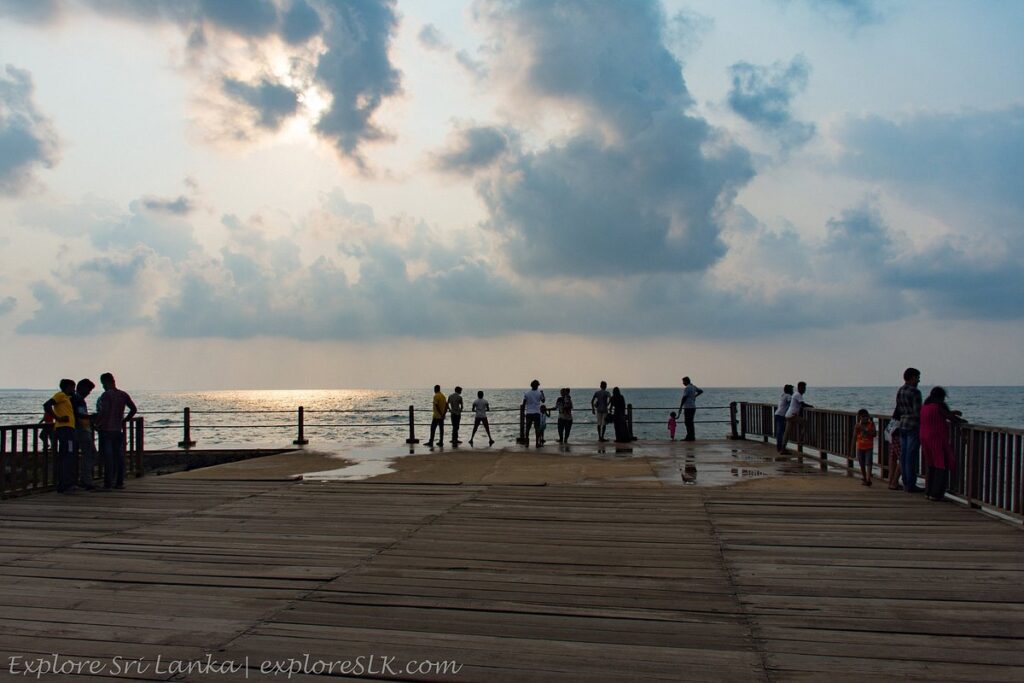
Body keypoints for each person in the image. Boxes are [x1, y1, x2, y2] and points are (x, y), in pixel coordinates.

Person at [920, 386, 965, 502]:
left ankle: (929, 491)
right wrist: (961, 421)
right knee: (941, 465)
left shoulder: (925, 407)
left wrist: (951, 413)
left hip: (925, 438)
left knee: (931, 464)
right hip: (936, 439)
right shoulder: (937, 407)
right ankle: (936, 493)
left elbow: (942, 415)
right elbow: (950, 418)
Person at [94, 372, 137, 490]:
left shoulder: (106, 395)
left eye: (103, 384)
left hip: (106, 429)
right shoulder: (123, 394)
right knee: (119, 456)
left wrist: (96, 422)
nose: (103, 386)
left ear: (105, 382)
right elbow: (133, 409)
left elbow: (104, 412)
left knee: (108, 457)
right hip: (118, 429)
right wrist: (125, 420)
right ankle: (119, 482)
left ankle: (108, 483)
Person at [43, 379, 77, 493]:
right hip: (65, 429)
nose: (74, 390)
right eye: (73, 387)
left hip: (68, 429)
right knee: (67, 455)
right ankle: (65, 485)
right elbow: (47, 405)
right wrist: (58, 418)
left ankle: (65, 483)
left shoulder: (66, 398)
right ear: (68, 387)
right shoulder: (60, 395)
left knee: (67, 455)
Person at [895, 368, 923, 493]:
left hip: (902, 424)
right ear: (912, 378)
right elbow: (918, 412)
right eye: (917, 377)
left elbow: (899, 409)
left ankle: (906, 482)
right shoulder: (915, 392)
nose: (919, 380)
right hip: (913, 426)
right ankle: (911, 484)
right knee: (911, 456)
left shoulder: (900, 390)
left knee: (904, 455)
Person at [72, 378, 97, 490]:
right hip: (82, 430)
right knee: (91, 454)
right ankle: (86, 480)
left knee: (81, 455)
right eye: (88, 390)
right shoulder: (79, 400)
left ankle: (81, 479)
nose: (89, 392)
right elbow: (81, 415)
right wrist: (93, 416)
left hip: (78, 429)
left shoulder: (73, 399)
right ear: (82, 388)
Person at [782, 381, 812, 451]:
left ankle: (783, 447)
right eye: (804, 388)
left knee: (787, 432)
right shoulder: (798, 394)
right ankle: (801, 439)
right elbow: (802, 404)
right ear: (800, 388)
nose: (805, 390)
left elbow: (799, 405)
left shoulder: (795, 394)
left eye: (805, 388)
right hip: (792, 415)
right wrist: (811, 406)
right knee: (805, 422)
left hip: (788, 415)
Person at [852, 409, 876, 487]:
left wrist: (865, 429)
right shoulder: (857, 425)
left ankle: (868, 479)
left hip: (869, 446)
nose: (865, 418)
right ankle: (864, 477)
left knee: (869, 462)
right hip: (860, 447)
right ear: (859, 417)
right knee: (861, 463)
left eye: (866, 416)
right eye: (863, 417)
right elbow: (854, 437)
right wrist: (852, 448)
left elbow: (874, 434)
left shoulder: (871, 424)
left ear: (868, 416)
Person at [676, 377, 704, 441]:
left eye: (683, 382)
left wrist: (680, 406)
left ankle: (689, 436)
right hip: (693, 407)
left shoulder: (687, 388)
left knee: (687, 422)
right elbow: (701, 391)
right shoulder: (693, 387)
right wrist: (695, 396)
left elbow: (684, 397)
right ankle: (692, 436)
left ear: (686, 381)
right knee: (691, 422)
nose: (683, 383)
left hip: (688, 407)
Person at [523, 380, 545, 447]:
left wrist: (524, 412)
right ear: (537, 385)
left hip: (529, 412)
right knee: (537, 428)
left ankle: (527, 442)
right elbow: (543, 400)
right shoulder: (539, 393)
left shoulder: (526, 393)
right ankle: (537, 443)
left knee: (527, 428)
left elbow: (524, 403)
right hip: (537, 412)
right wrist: (542, 393)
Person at [774, 385, 794, 453]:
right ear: (789, 390)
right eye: (792, 390)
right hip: (781, 415)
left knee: (780, 432)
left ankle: (779, 447)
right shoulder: (788, 396)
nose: (793, 391)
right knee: (781, 432)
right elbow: (792, 403)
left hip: (777, 414)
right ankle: (781, 448)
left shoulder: (782, 395)